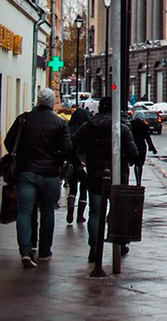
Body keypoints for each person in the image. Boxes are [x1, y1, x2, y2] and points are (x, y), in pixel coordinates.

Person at [4, 89, 73, 268]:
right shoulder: (60, 123)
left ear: (38, 101)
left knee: (24, 212)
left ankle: (26, 251)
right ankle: (44, 251)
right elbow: (67, 150)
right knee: (48, 212)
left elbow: (8, 142)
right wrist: (57, 161)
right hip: (50, 174)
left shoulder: (24, 119)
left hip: (26, 172)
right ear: (51, 103)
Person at [69, 96, 139, 264]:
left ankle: (94, 248)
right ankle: (119, 245)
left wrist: (78, 162)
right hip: (117, 178)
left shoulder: (88, 126)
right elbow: (133, 154)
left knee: (95, 212)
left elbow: (71, 144)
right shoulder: (121, 128)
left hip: (94, 176)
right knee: (117, 212)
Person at [66, 104, 93, 225]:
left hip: (73, 163)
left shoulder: (69, 129)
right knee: (83, 189)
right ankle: (80, 215)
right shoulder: (87, 130)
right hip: (85, 163)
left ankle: (70, 208)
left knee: (72, 188)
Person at [129, 113, 158, 187]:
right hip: (141, 146)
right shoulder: (144, 125)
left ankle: (135, 177)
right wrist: (152, 148)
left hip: (133, 145)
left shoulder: (131, 124)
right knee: (140, 164)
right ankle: (138, 180)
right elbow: (147, 138)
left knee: (134, 163)